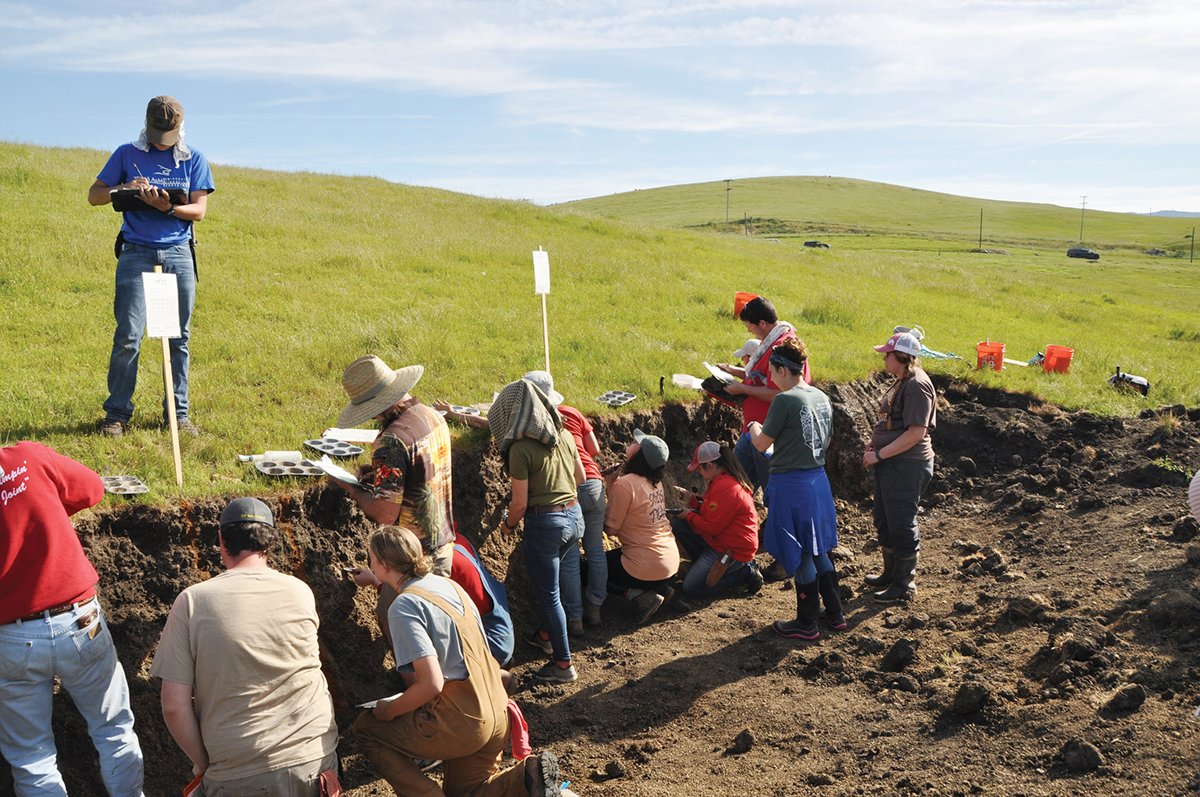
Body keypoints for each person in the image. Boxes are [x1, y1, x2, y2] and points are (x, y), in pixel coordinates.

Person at [352, 527, 565, 797]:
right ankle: (526, 775)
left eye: (371, 557)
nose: (369, 563)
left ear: (383, 564)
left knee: (366, 728)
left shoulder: (404, 606)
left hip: (464, 723)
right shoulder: (448, 585)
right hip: (497, 713)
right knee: (465, 792)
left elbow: (430, 684)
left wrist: (389, 710)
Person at [150, 497, 338, 795]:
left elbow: (174, 705)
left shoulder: (192, 601)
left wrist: (202, 764)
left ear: (222, 540)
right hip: (314, 761)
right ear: (270, 541)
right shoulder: (300, 591)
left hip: (239, 773)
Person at [0, 442, 145, 796]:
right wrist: (44, 508)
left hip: (11, 638)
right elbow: (92, 487)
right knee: (113, 728)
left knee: (31, 756)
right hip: (80, 622)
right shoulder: (29, 457)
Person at [88, 95, 215, 438]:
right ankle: (116, 415)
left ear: (179, 128)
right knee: (128, 335)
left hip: (177, 253)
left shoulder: (194, 159)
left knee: (178, 337)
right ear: (147, 126)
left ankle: (177, 415)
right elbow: (94, 195)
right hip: (135, 253)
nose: (162, 139)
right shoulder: (126, 154)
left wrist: (167, 208)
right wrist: (124, 188)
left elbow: (199, 211)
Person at [335, 354, 457, 642]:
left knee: (405, 629)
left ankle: (420, 684)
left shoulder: (391, 440)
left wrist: (350, 487)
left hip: (411, 558)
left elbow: (385, 514)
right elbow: (419, 470)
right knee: (432, 629)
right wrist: (380, 475)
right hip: (442, 544)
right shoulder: (430, 414)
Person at [747, 338, 844, 641]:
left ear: (781, 370)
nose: (769, 378)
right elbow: (824, 443)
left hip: (791, 485)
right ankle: (836, 614)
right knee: (818, 549)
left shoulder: (785, 400)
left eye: (770, 372)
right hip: (818, 481)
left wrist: (752, 426)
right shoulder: (821, 397)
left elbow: (762, 444)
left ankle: (806, 623)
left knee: (800, 551)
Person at [489, 379, 586, 684]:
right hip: (574, 517)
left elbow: (518, 504)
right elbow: (581, 477)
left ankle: (562, 664)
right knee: (553, 587)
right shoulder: (566, 434)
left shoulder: (520, 449)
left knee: (549, 596)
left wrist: (507, 526)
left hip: (545, 526)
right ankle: (546, 634)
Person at [862, 331, 937, 604]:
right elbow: (890, 421)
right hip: (892, 462)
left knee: (902, 523)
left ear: (902, 358)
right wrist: (874, 443)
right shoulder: (902, 380)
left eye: (888, 354)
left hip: (907, 464)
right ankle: (890, 573)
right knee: (884, 519)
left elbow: (916, 432)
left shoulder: (917, 385)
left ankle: (904, 584)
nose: (884, 358)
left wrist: (879, 454)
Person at [602, 430, 679, 624]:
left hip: (644, 566)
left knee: (589, 569)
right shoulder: (656, 482)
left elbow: (611, 530)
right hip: (669, 563)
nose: (633, 443)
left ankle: (639, 595)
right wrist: (612, 483)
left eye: (637, 443)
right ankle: (661, 588)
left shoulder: (626, 484)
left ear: (639, 455)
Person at [668, 442, 763, 598]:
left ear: (710, 465)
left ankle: (747, 573)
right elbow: (710, 507)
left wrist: (688, 515)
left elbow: (710, 526)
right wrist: (691, 500)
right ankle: (704, 565)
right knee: (679, 524)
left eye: (700, 468)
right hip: (720, 540)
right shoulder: (721, 479)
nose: (699, 472)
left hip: (732, 550)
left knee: (692, 588)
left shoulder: (727, 487)